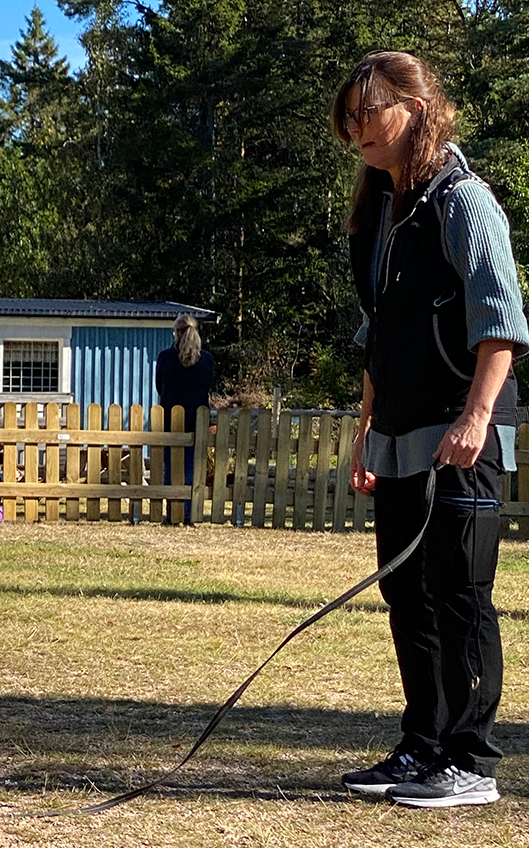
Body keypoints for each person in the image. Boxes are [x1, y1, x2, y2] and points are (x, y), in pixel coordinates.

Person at [333, 51, 527, 808]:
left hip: (461, 434)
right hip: (398, 433)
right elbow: (376, 333)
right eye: (347, 119)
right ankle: (422, 746)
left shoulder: (464, 202)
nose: (355, 132)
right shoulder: (380, 210)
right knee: (406, 594)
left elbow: (501, 326)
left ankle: (471, 763)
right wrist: (364, 433)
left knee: (461, 596)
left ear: (413, 107)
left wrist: (477, 417)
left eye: (366, 113)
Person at [155, 314, 214, 524]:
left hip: (171, 417)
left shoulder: (165, 358)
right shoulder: (207, 359)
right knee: (190, 468)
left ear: (177, 332)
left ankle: (172, 514)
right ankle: (188, 514)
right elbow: (206, 388)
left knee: (171, 467)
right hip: (197, 419)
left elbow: (159, 387)